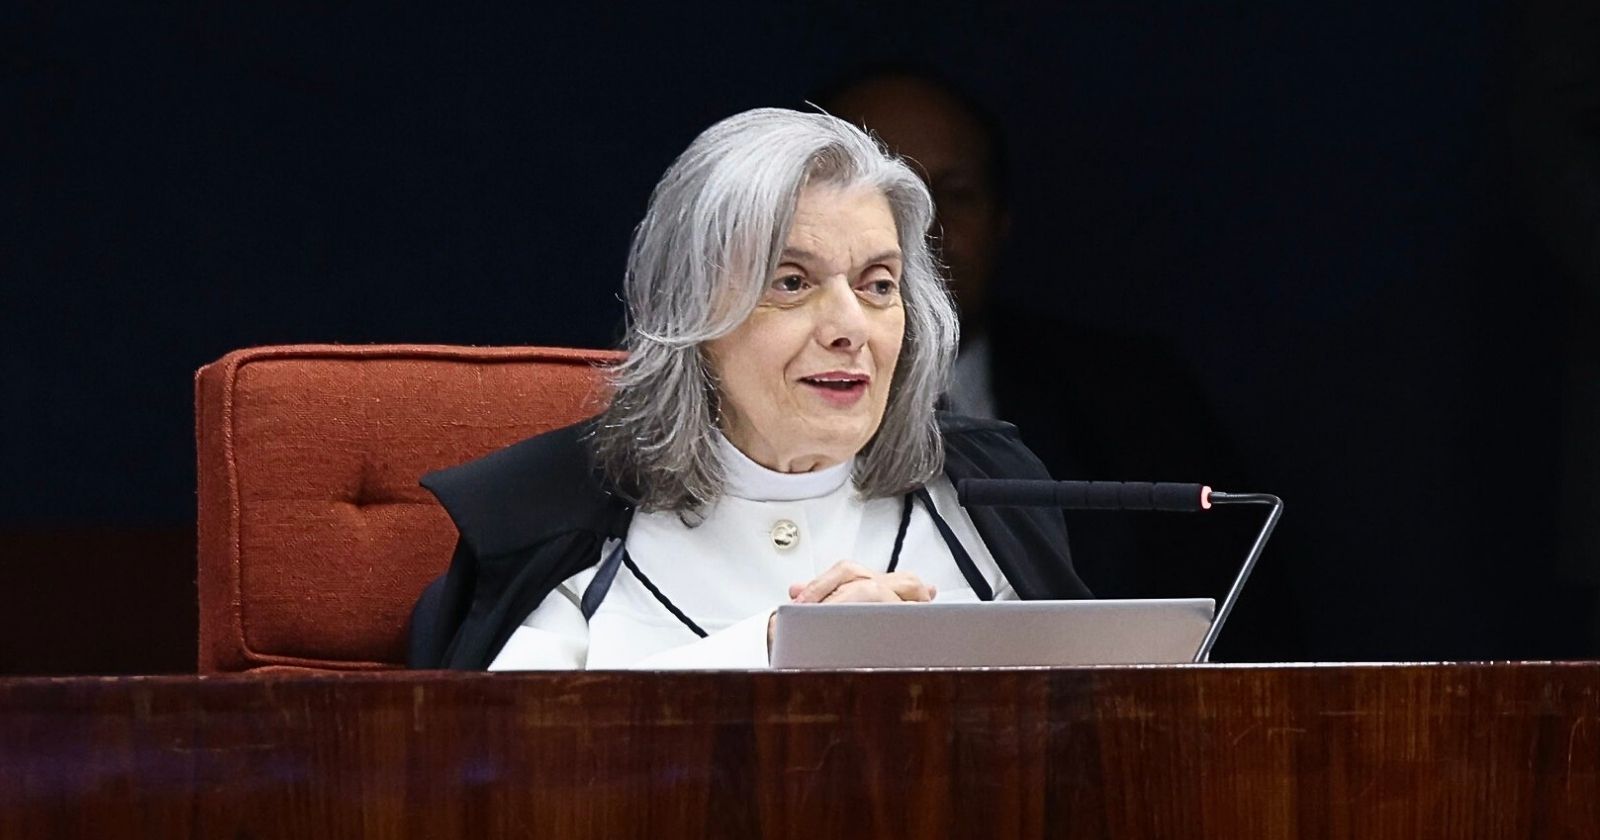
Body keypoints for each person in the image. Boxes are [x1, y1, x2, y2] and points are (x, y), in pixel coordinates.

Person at [408, 108, 1092, 670]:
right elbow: (509, 752)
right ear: (692, 315)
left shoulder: (983, 500)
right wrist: (774, 648)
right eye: (791, 282)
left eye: (878, 285)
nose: (850, 327)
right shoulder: (562, 518)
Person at [820, 70, 1261, 611]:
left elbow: (1236, 621)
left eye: (955, 194)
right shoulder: (746, 404)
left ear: (1002, 221)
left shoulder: (1132, 397)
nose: (926, 224)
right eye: (887, 193)